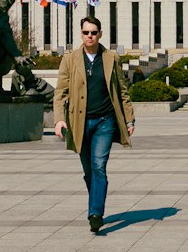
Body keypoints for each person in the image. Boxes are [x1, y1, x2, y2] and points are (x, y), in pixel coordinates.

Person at [53, 15, 136, 235]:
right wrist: (59, 118)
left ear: (100, 34)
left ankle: (95, 214)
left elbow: (122, 90)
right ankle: (95, 203)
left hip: (105, 121)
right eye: (85, 32)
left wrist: (129, 118)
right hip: (79, 122)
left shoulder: (111, 58)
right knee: (89, 171)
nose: (89, 36)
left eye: (93, 32)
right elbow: (60, 92)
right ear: (81, 34)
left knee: (99, 165)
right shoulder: (70, 59)